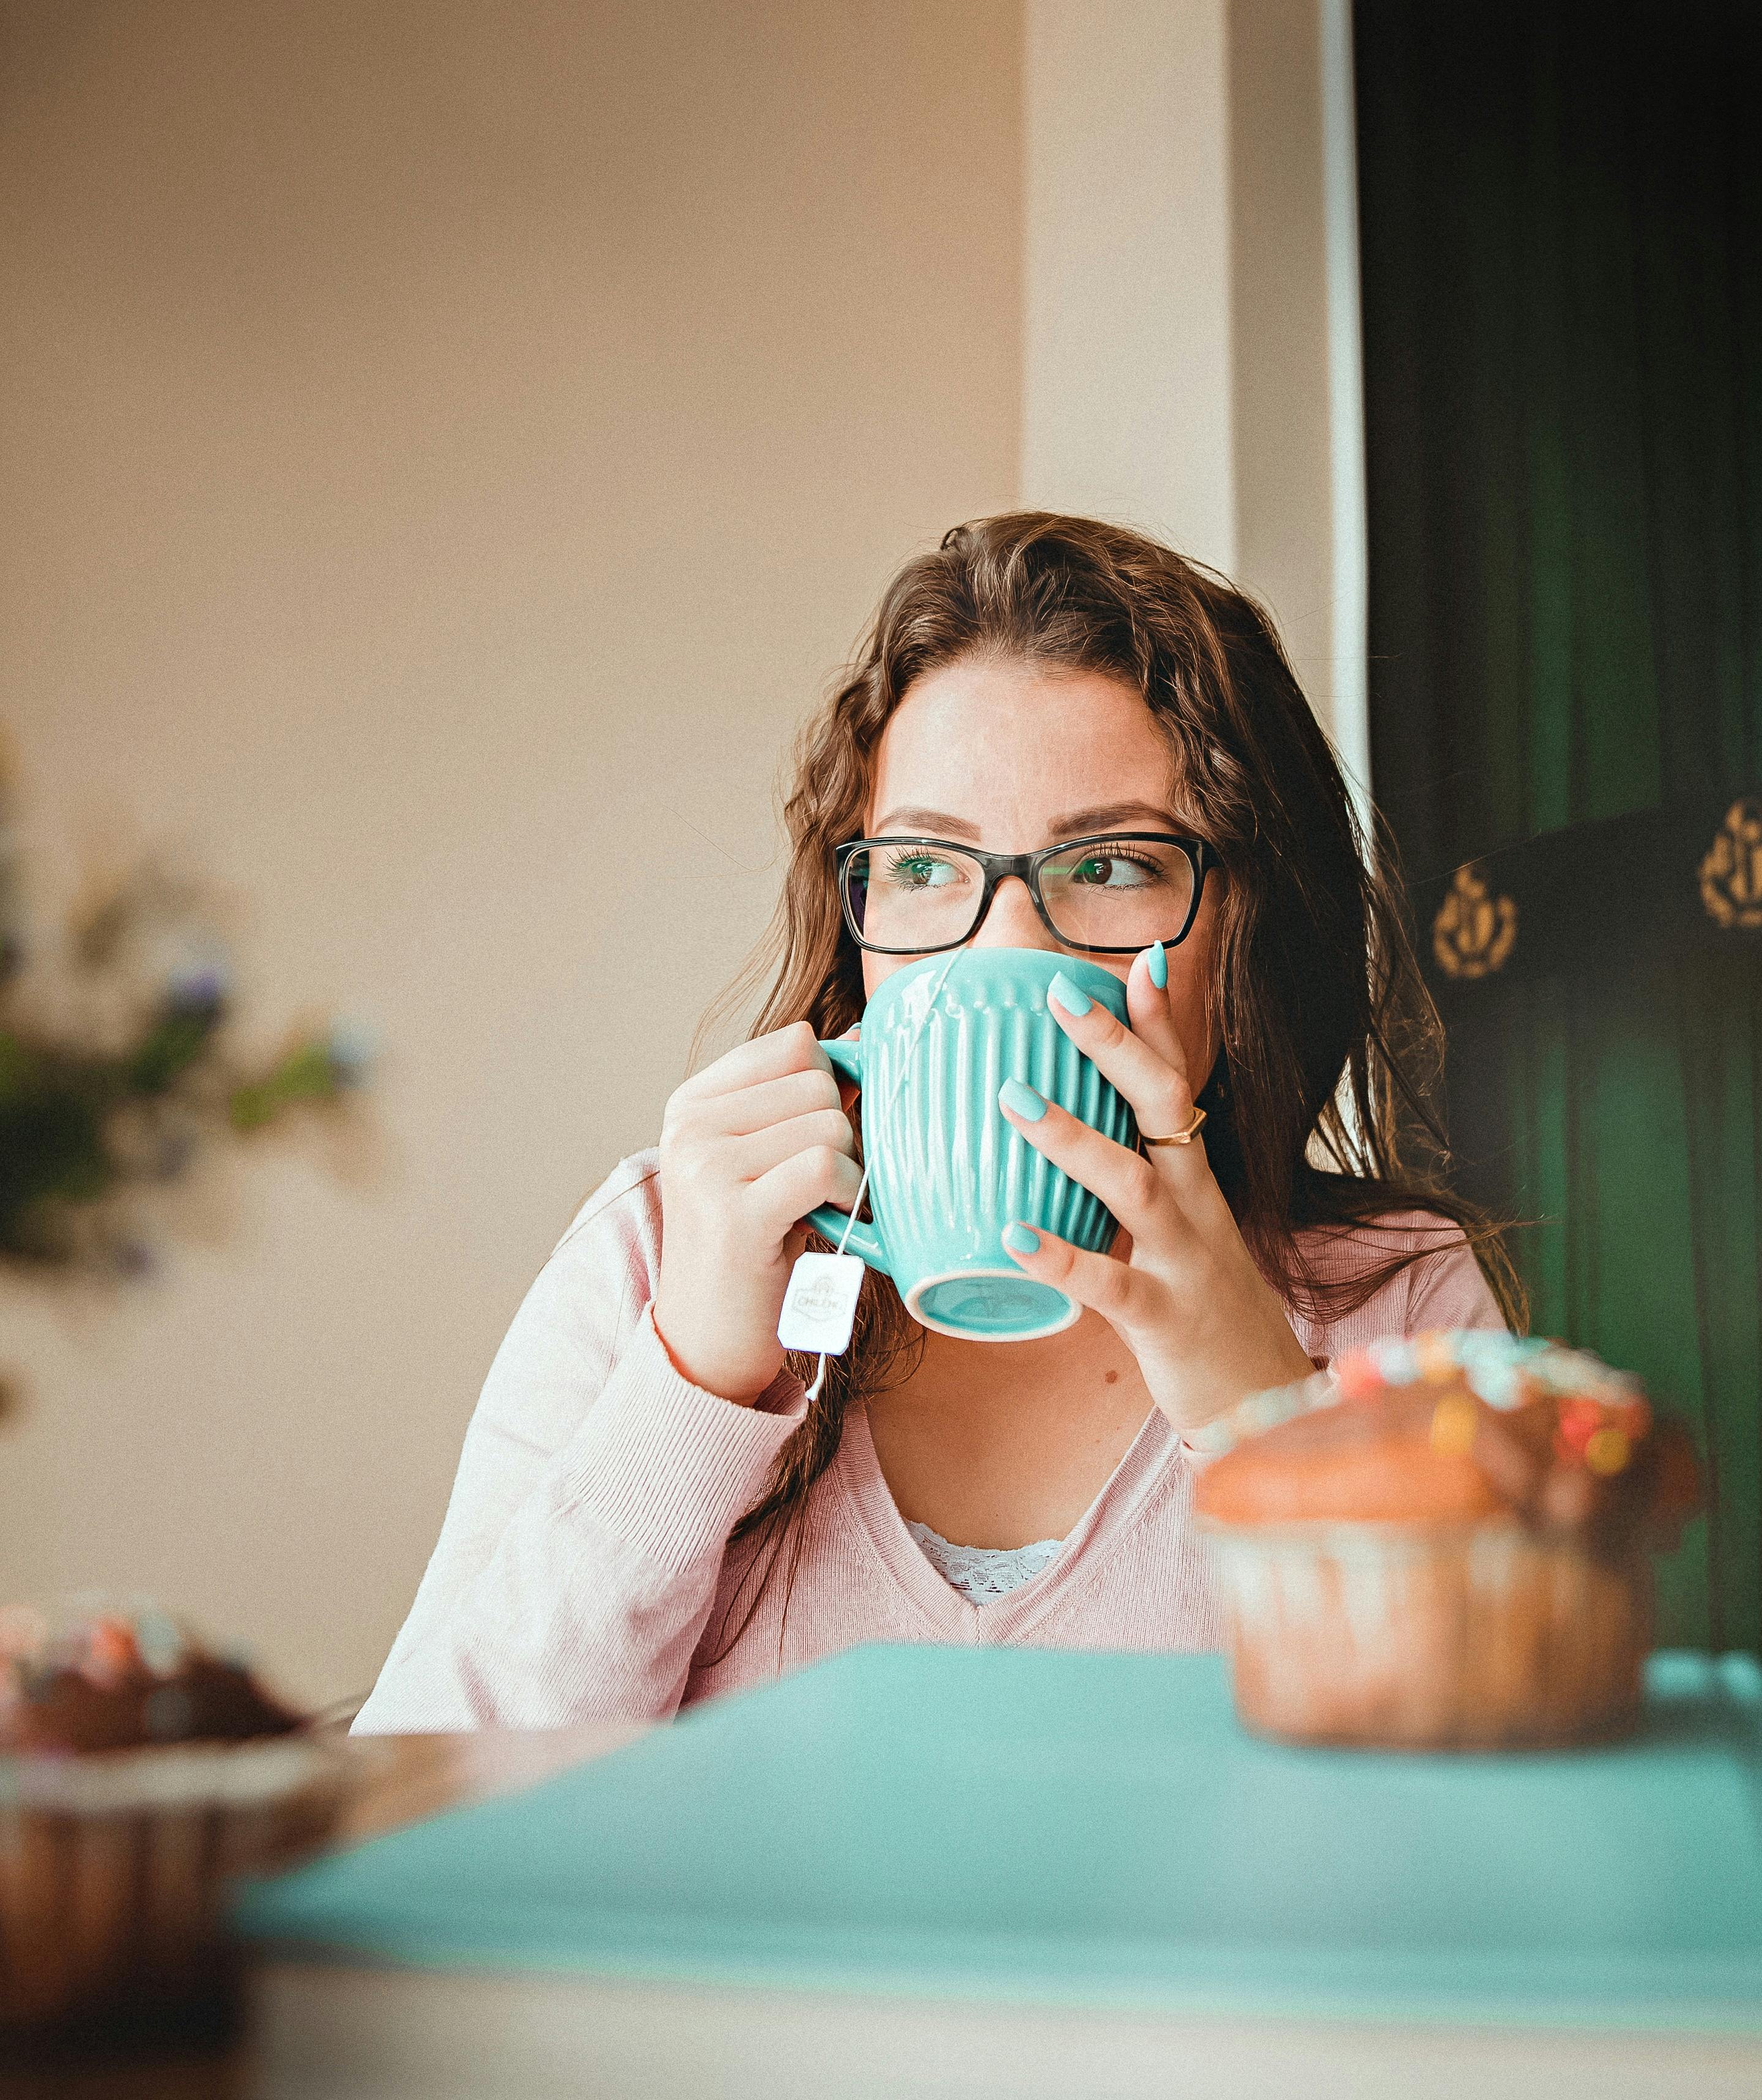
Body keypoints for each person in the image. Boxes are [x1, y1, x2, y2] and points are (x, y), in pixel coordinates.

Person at [354, 514, 1509, 1732]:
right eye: (923, 867)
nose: (1007, 943)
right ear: (862, 928)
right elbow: (427, 1789)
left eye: (1112, 865)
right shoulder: (661, 1252)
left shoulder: (1397, 1303)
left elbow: (1491, 1825)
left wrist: (1256, 1407)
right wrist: (692, 1375)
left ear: (1247, 920)